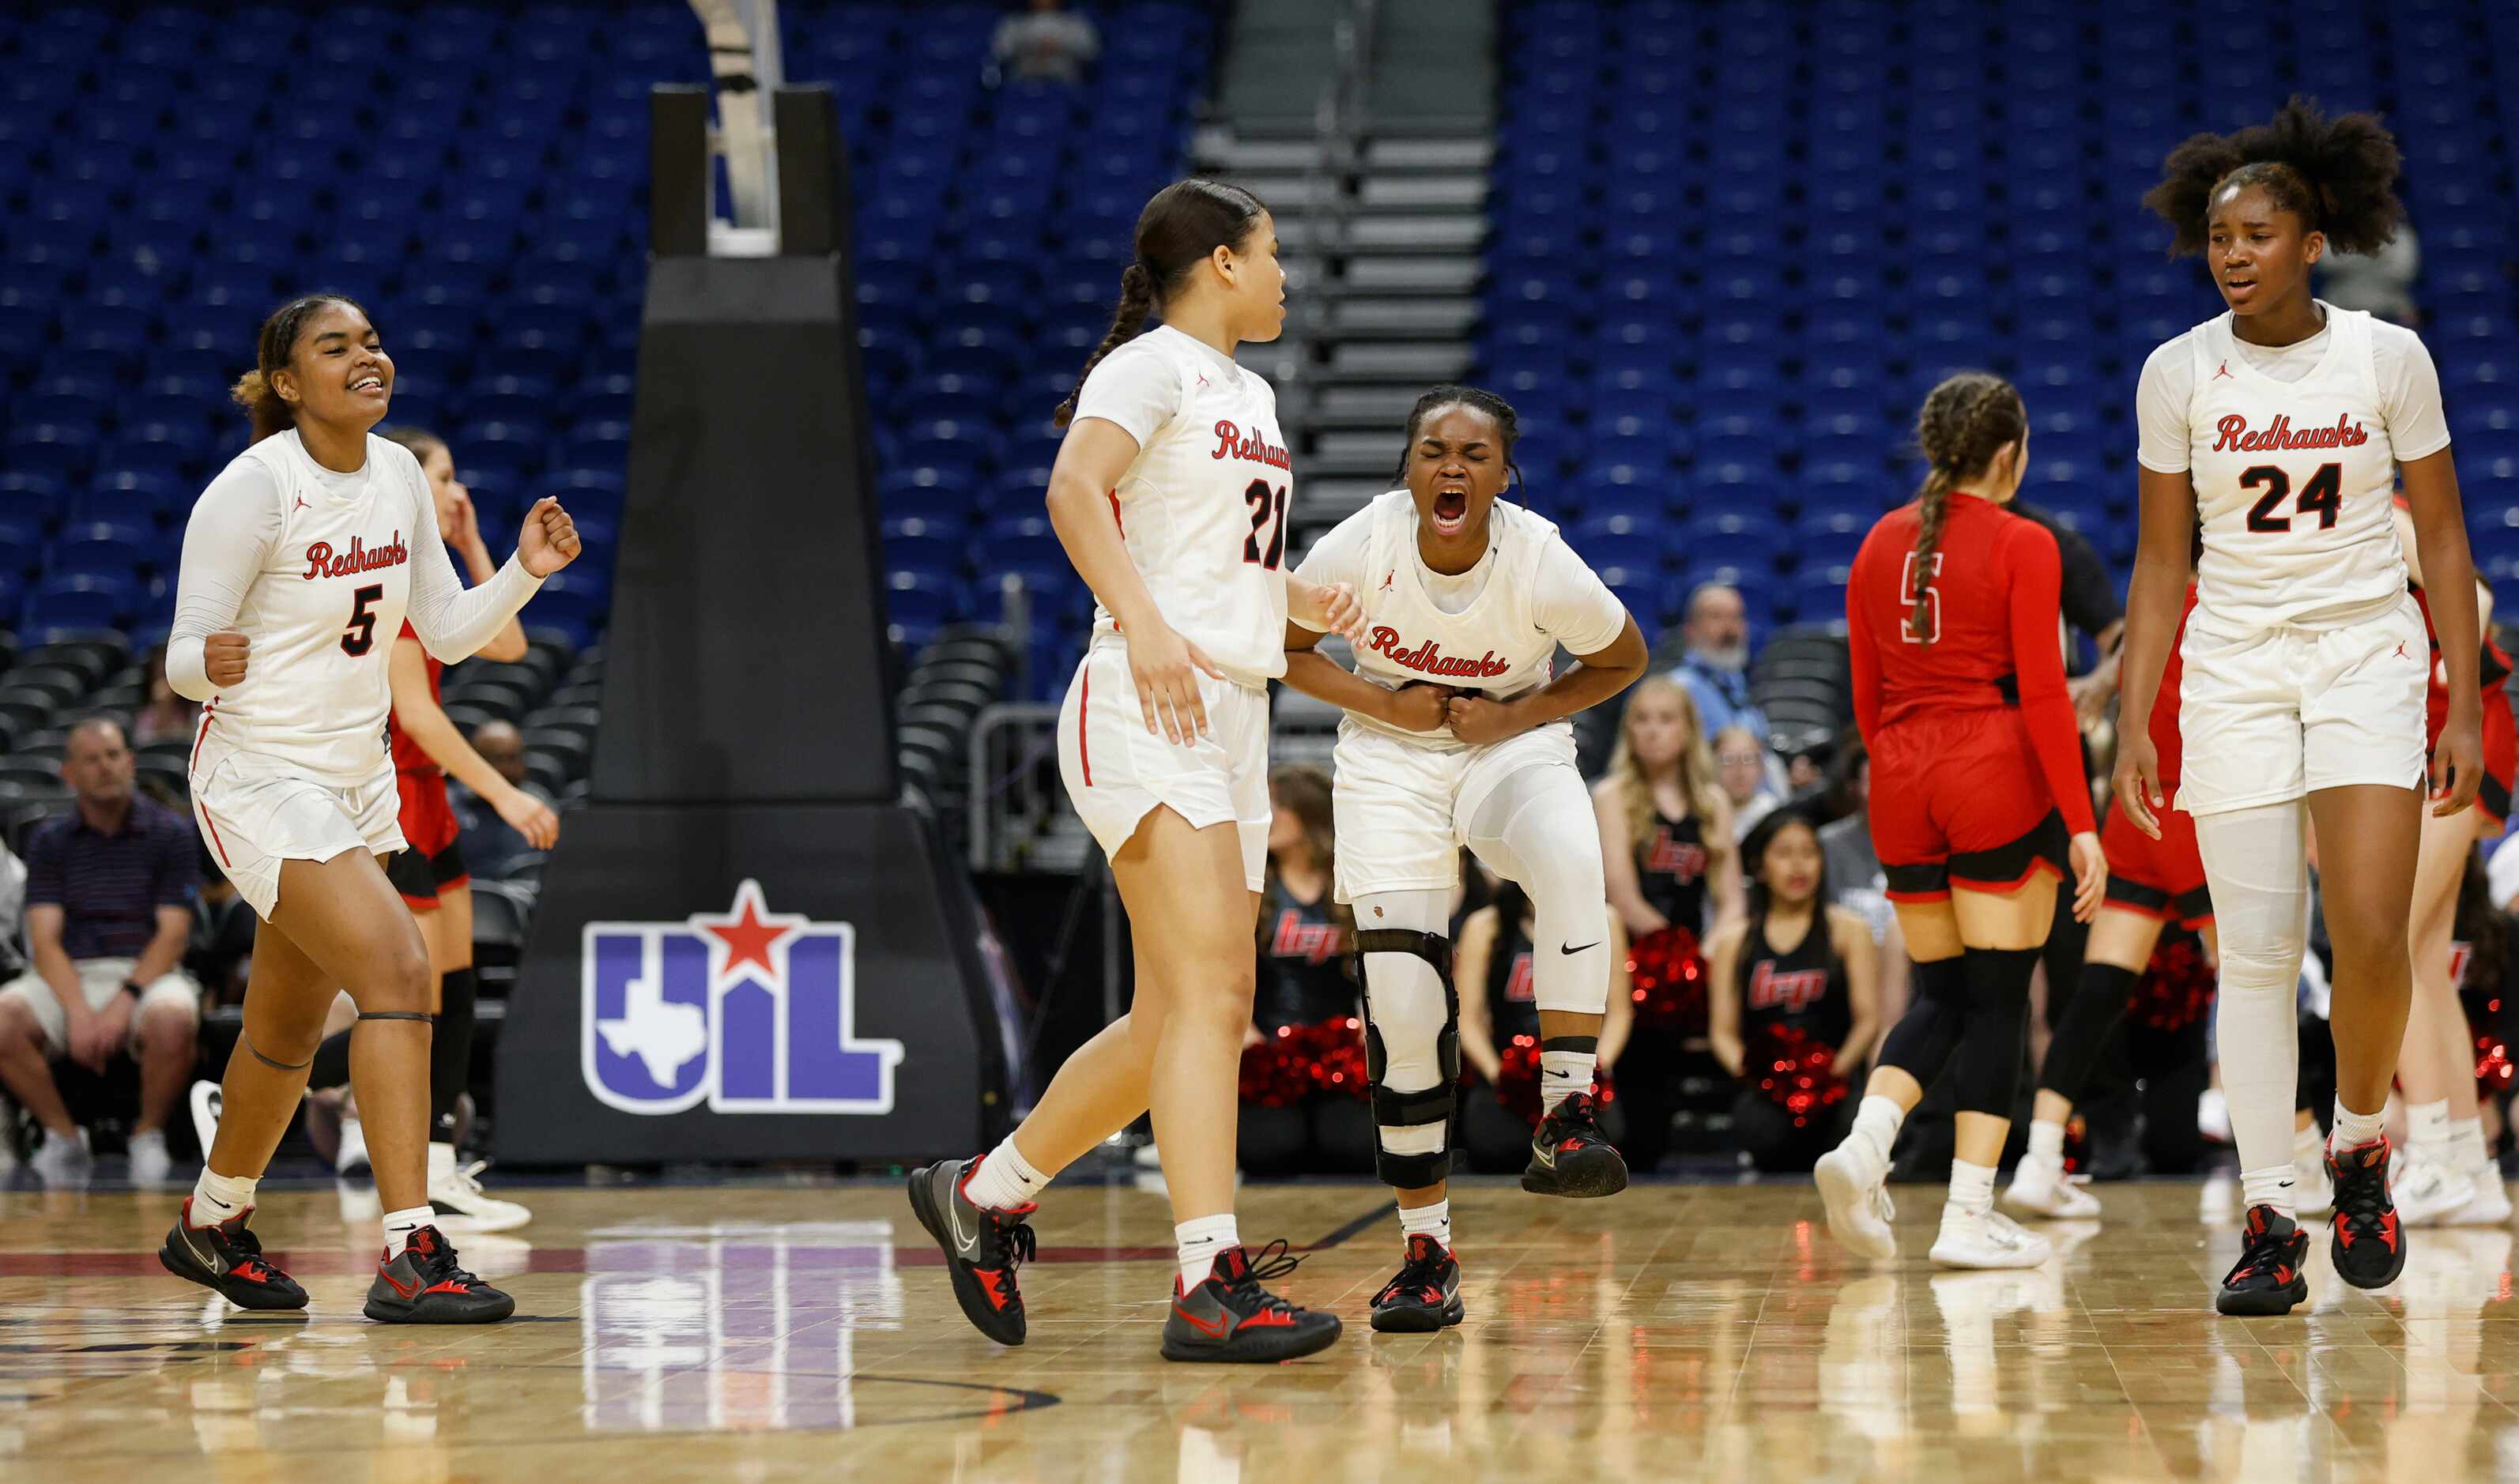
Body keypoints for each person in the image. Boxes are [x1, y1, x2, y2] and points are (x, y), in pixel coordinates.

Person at [907, 180, 1363, 1365]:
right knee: (1212, 999)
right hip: (1144, 694)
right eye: (1271, 255)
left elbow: (1231, 569)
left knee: (1178, 1011)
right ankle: (1207, 1279)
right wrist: (1146, 620)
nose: (1282, 277)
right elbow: (1071, 492)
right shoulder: (1149, 365)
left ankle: (986, 1192)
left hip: (1233, 709)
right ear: (1219, 261)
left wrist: (1318, 603)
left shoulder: (1250, 393)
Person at [2116, 98, 2473, 1316]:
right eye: (2218, 233)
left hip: (2368, 652)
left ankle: (2359, 1140)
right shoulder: (2175, 370)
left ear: (2310, 238)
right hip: (2232, 667)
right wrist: (2131, 718)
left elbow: (2438, 528)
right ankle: (2269, 1213)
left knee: (2370, 932)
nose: (2230, 252)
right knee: (2256, 957)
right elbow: (2160, 560)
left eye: (2256, 232)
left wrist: (2462, 702)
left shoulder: (2385, 357)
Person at [158, 292, 578, 1324]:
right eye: (335, 346)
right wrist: (201, 667)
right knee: (398, 969)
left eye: (374, 340)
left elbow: (440, 631)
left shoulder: (396, 475)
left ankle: (212, 1223)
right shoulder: (252, 491)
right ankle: (410, 1247)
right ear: (290, 383)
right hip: (258, 778)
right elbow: (178, 660)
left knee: (285, 1030)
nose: (366, 356)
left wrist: (523, 572)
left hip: (354, 782)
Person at [1276, 383, 1651, 1331]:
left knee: (1572, 857)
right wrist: (1384, 704)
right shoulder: (1361, 543)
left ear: (1501, 475)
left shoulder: (1538, 556)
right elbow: (1284, 645)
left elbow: (1624, 658)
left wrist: (1517, 714)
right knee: (1403, 1004)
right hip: (1389, 755)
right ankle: (1425, 1252)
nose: (1452, 466)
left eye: (1474, 455)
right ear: (1407, 466)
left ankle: (1565, 1112)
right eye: (1434, 450)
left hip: (1508, 746)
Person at [1812, 371, 2106, 1271]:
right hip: (1993, 769)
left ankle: (1865, 1146)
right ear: (2009, 456)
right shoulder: (2026, 543)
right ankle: (1968, 1215)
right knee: (1999, 997)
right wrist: (2082, 822)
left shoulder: (1875, 542)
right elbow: (2049, 695)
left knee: (1939, 991)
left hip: (1898, 776)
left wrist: (1905, 767)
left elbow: (1863, 699)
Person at [2004, 582, 2240, 1222]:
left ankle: (2041, 1157)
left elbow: (2129, 652)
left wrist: (2103, 683)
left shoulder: (2159, 593)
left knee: (2096, 994)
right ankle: (2301, 1156)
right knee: (2253, 990)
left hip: (2139, 807)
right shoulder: (2239, 588)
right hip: (2199, 801)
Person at [375, 426, 554, 1229]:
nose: (456, 492)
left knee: (450, 991)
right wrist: (508, 798)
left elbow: (508, 641)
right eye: (443, 479)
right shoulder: (388, 576)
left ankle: (440, 1167)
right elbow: (417, 716)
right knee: (407, 1002)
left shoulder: (433, 566)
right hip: (388, 797)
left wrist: (478, 541)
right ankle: (280, 1085)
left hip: (426, 800)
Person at [2380, 495, 2516, 1227]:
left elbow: (2476, 593)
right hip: (2430, 736)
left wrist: (2444, 678)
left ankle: (2431, 1154)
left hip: (2454, 734)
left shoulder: (2381, 507)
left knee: (2392, 950)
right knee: (2424, 959)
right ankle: (2471, 1168)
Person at [0, 718, 201, 1185]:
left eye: (113, 756)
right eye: (91, 759)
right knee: (4, 1018)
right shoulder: (49, 840)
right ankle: (62, 1136)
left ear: (130, 762)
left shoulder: (171, 832)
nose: (105, 767)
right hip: (69, 971)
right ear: (69, 774)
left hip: (148, 970)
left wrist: (120, 1004)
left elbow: (173, 934)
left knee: (174, 1018)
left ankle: (147, 1134)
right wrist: (78, 1011)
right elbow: (44, 939)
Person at [1706, 809, 1879, 1172]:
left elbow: (1868, 1020)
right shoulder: (1735, 942)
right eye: (1784, 854)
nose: (1798, 866)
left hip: (1835, 1084)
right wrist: (1768, 1082)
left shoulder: (1848, 930)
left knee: (1848, 1133)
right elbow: (1722, 1034)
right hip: (1767, 1091)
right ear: (1760, 866)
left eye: (1809, 853)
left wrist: (1827, 1077)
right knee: (1764, 1132)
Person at [1239, 764, 1371, 1176]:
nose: (1268, 815)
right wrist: (1250, 1038)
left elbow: (1372, 972)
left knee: (1354, 1151)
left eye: (1278, 805)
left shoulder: (1350, 885)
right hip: (1269, 1048)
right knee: (1271, 1151)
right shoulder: (1251, 886)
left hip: (1341, 1054)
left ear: (1310, 813)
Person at [1454, 880, 1632, 1173]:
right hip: (1505, 1077)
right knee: (1497, 1145)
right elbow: (1468, 1020)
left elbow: (1619, 1013)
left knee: (1591, 1159)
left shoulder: (1603, 919)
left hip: (1583, 1080)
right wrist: (1501, 1075)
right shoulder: (1485, 925)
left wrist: (1596, 1070)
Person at [1661, 583, 1770, 746]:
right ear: (1690, 629)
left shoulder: (1738, 681)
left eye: (1736, 617)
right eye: (1716, 616)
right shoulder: (1675, 689)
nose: (1730, 628)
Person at [451, 719, 538, 879]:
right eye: (497, 759)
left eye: (513, 758)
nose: (506, 768)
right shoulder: (450, 807)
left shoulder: (540, 806)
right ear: (476, 760)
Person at [990, 0, 1099, 85]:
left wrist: (1061, 46)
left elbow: (1092, 52)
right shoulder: (1014, 24)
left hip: (1065, 85)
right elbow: (999, 52)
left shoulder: (1076, 24)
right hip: (1023, 84)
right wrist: (1029, 45)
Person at [1714, 724, 1780, 841]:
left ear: (1761, 768)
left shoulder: (1772, 814)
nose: (1739, 771)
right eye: (1728, 760)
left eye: (1748, 759)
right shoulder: (1702, 811)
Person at [130, 645, 201, 748]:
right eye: (159, 675)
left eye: (167, 676)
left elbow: (199, 742)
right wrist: (163, 708)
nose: (164, 683)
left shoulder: (197, 709)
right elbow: (145, 748)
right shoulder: (146, 715)